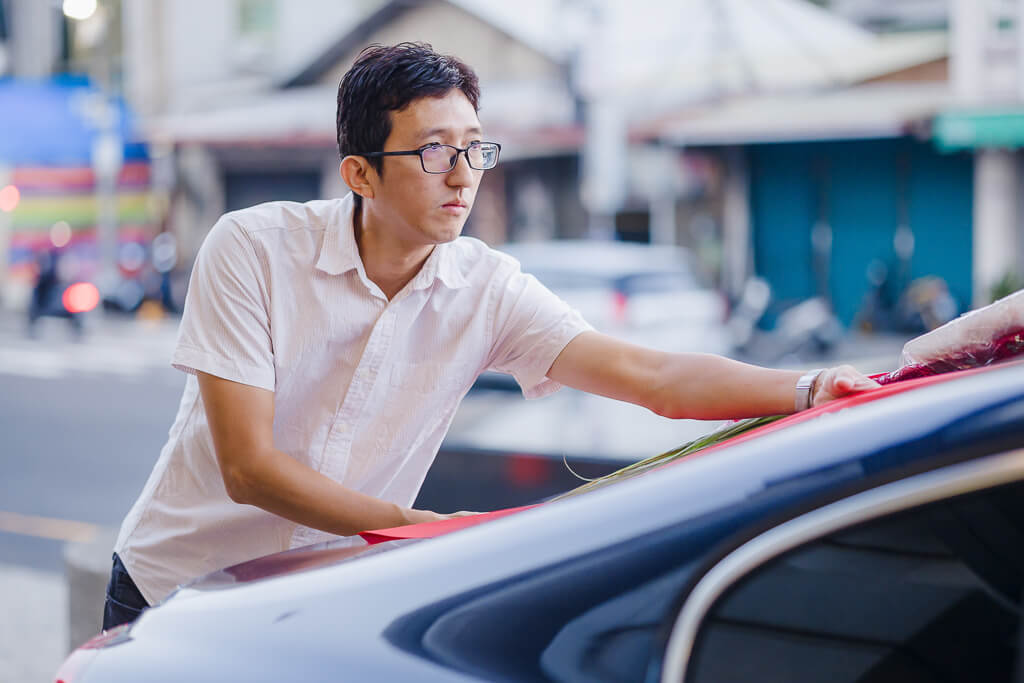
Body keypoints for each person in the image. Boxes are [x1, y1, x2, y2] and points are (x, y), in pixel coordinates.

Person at [102, 42, 879, 631]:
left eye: (475, 146)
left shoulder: (486, 288)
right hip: (174, 595)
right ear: (361, 174)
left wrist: (810, 388)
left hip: (314, 603)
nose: (463, 172)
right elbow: (249, 466)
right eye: (434, 149)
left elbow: (654, 376)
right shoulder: (252, 248)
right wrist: (427, 532)